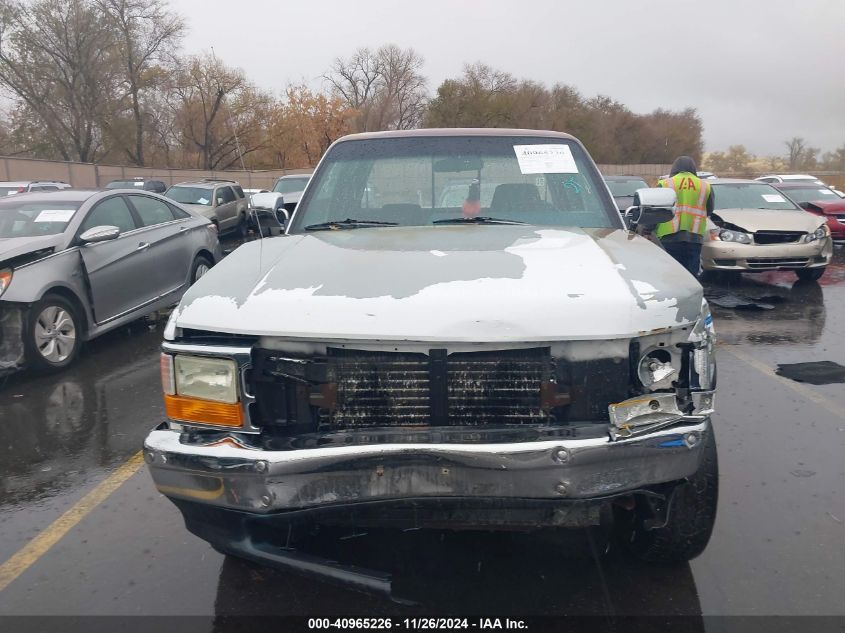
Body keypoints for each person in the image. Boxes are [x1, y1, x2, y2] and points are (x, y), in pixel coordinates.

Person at [655, 156, 714, 276]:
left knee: (670, 274)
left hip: (669, 237)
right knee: (691, 275)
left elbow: (656, 210)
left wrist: (646, 230)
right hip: (694, 237)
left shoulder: (665, 184)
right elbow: (709, 210)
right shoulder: (705, 186)